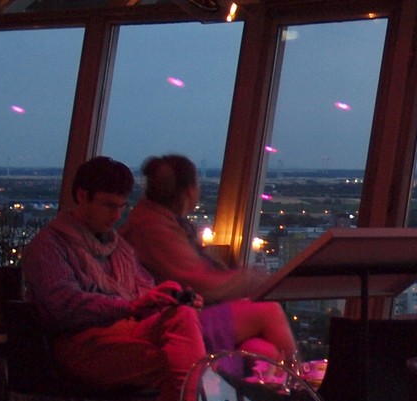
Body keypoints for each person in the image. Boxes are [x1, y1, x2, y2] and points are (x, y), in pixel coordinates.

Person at [20, 155, 204, 401]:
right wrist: (133, 307)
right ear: (81, 197)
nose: (116, 215)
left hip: (123, 334)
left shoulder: (118, 247)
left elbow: (142, 294)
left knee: (181, 315)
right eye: (108, 205)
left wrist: (165, 296)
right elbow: (63, 307)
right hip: (80, 346)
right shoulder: (48, 247)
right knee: (181, 367)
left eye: (121, 206)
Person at [121, 154, 297, 366]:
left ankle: (281, 391)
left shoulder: (157, 223)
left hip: (180, 314)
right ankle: (303, 389)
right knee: (270, 312)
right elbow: (199, 282)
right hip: (174, 321)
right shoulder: (153, 228)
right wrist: (254, 279)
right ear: (189, 190)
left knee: (261, 351)